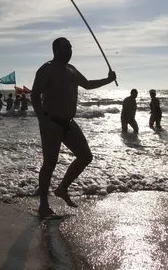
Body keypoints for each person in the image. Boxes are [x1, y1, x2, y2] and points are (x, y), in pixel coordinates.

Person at [31, 37, 116, 219]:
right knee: (50, 163)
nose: (69, 51)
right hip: (51, 122)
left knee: (86, 156)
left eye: (70, 48)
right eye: (66, 48)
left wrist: (108, 80)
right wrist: (42, 120)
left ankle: (62, 188)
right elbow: (34, 95)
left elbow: (88, 84)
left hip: (68, 122)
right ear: (56, 50)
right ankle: (43, 205)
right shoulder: (46, 69)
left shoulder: (71, 70)